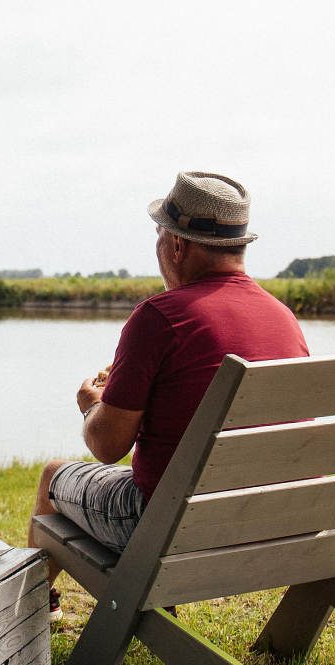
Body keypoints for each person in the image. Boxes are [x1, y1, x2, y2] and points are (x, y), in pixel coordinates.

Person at [32, 170, 308, 621]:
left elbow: (106, 447)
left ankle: (36, 611)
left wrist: (92, 405)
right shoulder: (282, 318)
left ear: (178, 245)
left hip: (171, 530)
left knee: (52, 476)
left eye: (159, 235)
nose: (158, 248)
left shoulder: (158, 317)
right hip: (277, 521)